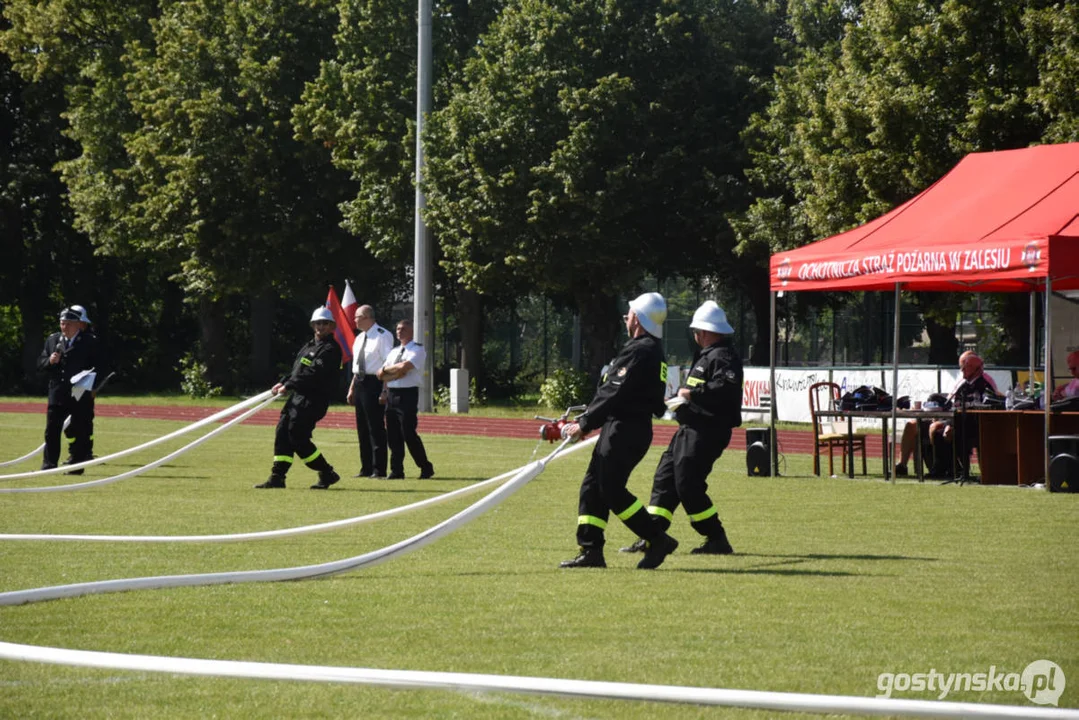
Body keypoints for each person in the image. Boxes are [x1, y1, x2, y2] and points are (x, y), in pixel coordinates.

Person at [558, 292, 678, 571]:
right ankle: (590, 550)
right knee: (593, 487)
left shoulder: (639, 350)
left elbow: (613, 390)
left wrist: (584, 423)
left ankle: (656, 539)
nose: (626, 317)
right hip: (626, 427)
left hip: (625, 429)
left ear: (637, 317)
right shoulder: (652, 350)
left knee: (610, 489)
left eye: (629, 313)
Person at [621, 301, 743, 556]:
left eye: (696, 331)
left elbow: (725, 390)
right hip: (690, 428)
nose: (695, 336)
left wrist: (692, 394)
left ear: (706, 331)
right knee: (665, 478)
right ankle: (653, 535)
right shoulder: (707, 355)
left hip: (708, 431)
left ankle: (716, 537)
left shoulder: (724, 357)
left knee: (688, 482)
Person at [255, 307, 343, 490]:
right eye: (317, 323)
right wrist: (283, 382)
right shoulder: (309, 346)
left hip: (313, 400)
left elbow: (313, 374)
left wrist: (289, 386)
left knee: (297, 437)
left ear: (331, 326)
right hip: (297, 398)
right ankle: (277, 477)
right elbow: (297, 371)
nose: (321, 326)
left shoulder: (331, 349)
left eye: (325, 323)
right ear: (313, 325)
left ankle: (327, 472)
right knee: (282, 433)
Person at [894, 351, 998, 478]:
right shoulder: (963, 383)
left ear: (974, 368)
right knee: (912, 425)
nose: (962, 370)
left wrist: (948, 420)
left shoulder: (985, 382)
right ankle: (902, 465)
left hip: (969, 422)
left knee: (937, 428)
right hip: (950, 417)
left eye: (965, 367)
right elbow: (949, 402)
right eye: (961, 366)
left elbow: (989, 402)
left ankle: (944, 467)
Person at [37, 306, 102, 474]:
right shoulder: (53, 340)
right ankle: (49, 465)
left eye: (67, 324)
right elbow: (40, 363)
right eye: (62, 323)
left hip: (80, 393)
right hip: (58, 392)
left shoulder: (90, 342)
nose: (64, 327)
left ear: (76, 325)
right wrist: (50, 361)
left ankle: (76, 467)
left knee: (80, 429)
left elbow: (99, 366)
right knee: (52, 430)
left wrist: (92, 385)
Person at [376, 319, 435, 480]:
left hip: (407, 395)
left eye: (403, 329)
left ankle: (425, 467)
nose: (399, 331)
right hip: (392, 395)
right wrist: (386, 387)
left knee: (408, 433)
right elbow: (380, 374)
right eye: (398, 329)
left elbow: (405, 368)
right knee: (393, 435)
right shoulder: (394, 352)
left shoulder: (417, 349)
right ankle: (396, 471)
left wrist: (389, 371)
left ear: (411, 331)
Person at [347, 305, 394, 478]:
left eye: (357, 316)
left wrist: (384, 390)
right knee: (362, 428)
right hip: (360, 382)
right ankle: (365, 467)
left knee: (375, 427)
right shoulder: (359, 338)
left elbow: (387, 365)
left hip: (375, 382)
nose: (354, 319)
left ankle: (379, 469)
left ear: (367, 316)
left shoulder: (383, 335)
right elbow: (357, 366)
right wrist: (352, 388)